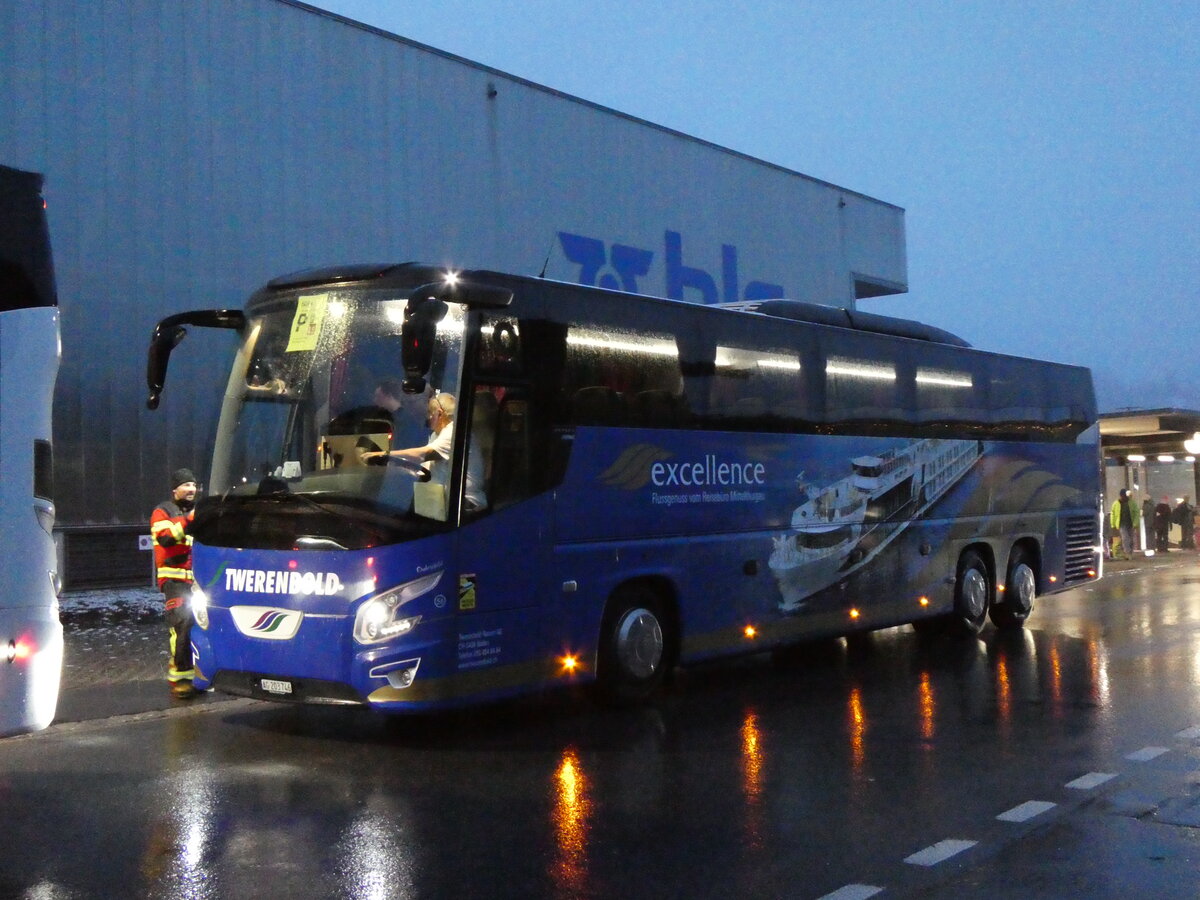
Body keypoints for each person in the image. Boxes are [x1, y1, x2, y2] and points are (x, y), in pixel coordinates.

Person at [363, 392, 487, 509]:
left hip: (464, 502)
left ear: (439, 414)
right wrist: (396, 470)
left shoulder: (454, 432)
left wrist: (383, 454)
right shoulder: (437, 435)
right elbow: (425, 469)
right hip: (439, 496)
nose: (428, 417)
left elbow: (422, 454)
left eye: (430, 413)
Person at [151, 469, 199, 698]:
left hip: (198, 581)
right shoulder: (162, 511)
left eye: (194, 485)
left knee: (199, 626)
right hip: (174, 581)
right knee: (183, 624)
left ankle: (199, 675)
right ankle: (181, 677)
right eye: (186, 485)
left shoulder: (197, 512)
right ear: (175, 490)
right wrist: (189, 521)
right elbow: (166, 538)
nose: (191, 489)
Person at [1109, 489, 1139, 560]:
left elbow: (1136, 513)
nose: (1124, 497)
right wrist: (1113, 524)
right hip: (1121, 524)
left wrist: (1135, 523)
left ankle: (1130, 552)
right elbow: (1112, 514)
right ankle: (1127, 553)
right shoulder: (1116, 503)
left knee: (1131, 539)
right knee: (1125, 538)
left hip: (1131, 524)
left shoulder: (1132, 503)